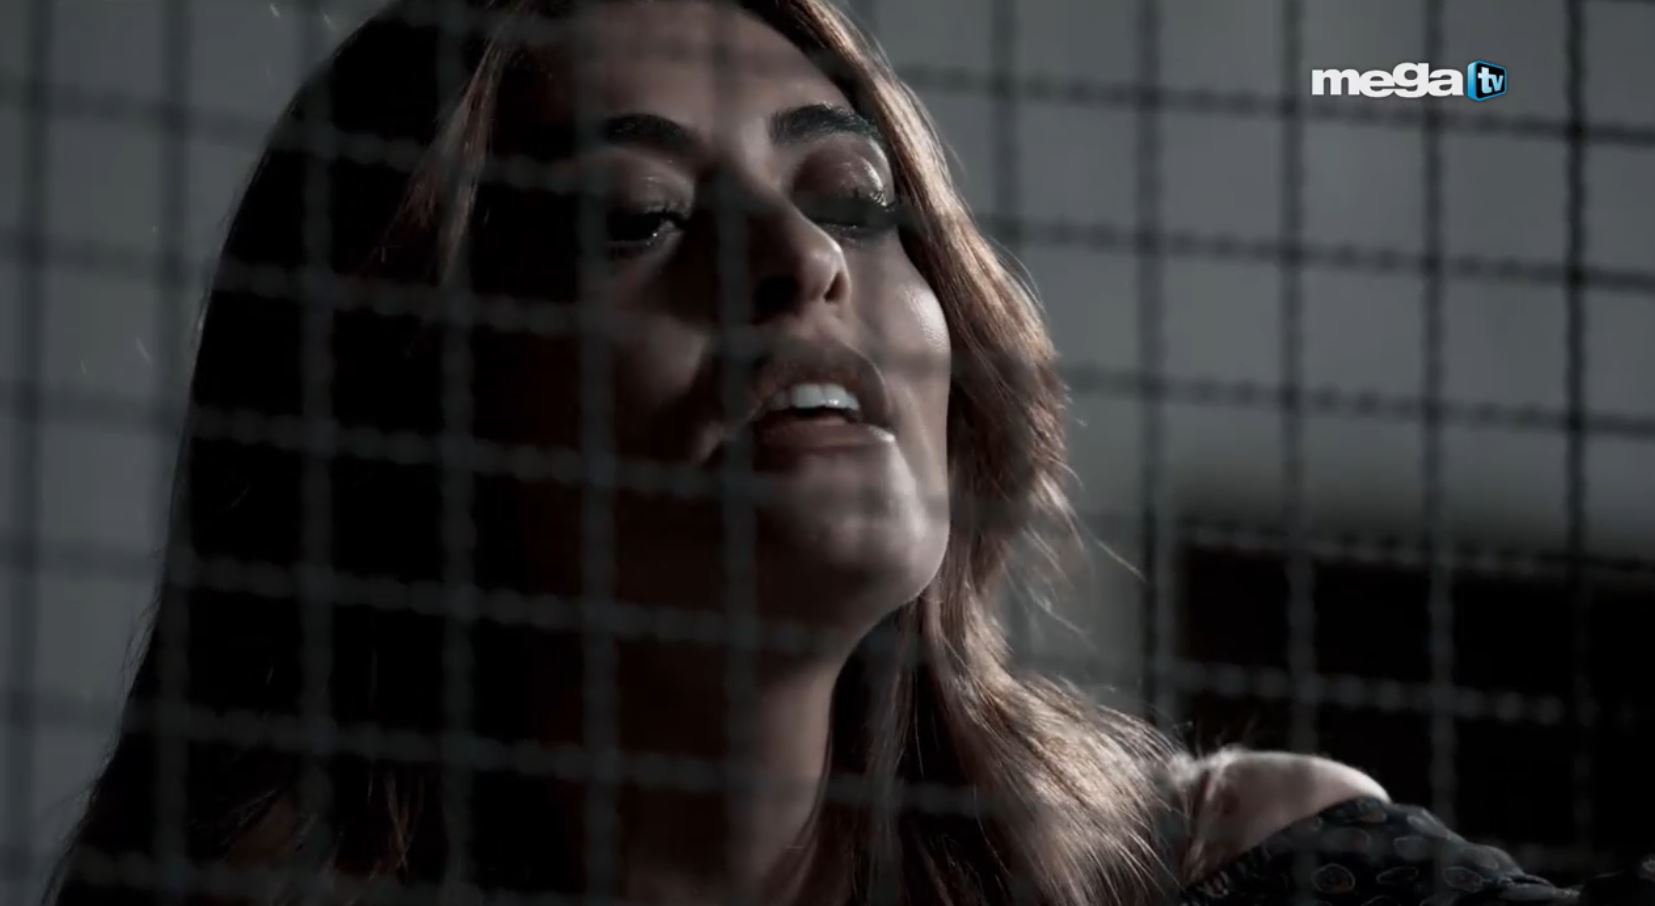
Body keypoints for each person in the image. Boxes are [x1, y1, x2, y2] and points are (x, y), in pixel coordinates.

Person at [43, 1, 1655, 904]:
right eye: (634, 218)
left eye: (856, 199)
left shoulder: (1242, 878)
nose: (804, 261)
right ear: (403, 410)